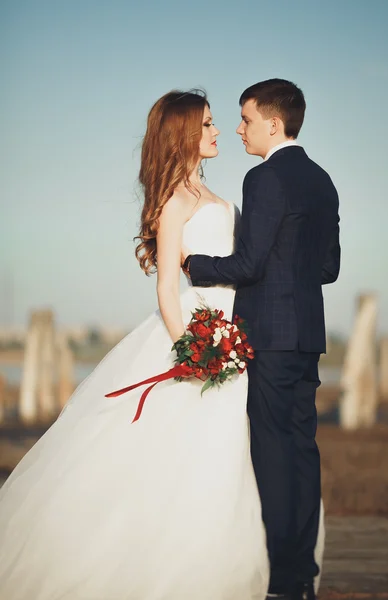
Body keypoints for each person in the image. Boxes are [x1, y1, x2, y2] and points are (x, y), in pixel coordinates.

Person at [0, 90, 279, 600]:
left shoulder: (221, 200)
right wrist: (191, 351)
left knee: (221, 455)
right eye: (208, 124)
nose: (218, 132)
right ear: (182, 134)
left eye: (218, 123)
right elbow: (166, 288)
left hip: (231, 338)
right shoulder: (174, 200)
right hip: (194, 336)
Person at [182, 79, 340, 600]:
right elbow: (328, 267)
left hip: (269, 335)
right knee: (302, 450)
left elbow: (248, 265)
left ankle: (281, 580)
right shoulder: (323, 181)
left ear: (273, 123)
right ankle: (302, 576)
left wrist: (195, 265)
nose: (238, 127)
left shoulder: (264, 178)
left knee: (272, 453)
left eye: (245, 118)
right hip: (307, 334)